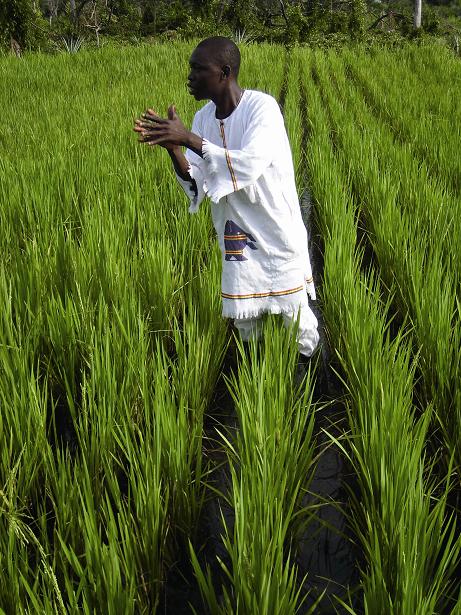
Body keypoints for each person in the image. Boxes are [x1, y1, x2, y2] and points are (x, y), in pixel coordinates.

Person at [134, 36, 319, 358]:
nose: (189, 76)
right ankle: (257, 381)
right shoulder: (204, 118)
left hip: (275, 229)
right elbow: (199, 180)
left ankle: (310, 384)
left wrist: (189, 139)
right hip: (235, 233)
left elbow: (249, 163)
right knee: (247, 320)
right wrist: (175, 148)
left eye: (198, 68)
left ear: (224, 72)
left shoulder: (262, 108)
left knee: (296, 317)